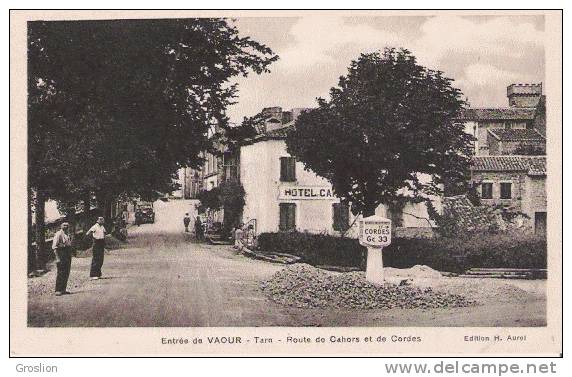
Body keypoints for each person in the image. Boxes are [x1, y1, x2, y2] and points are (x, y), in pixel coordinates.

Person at [52, 222, 73, 296]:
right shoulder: (58, 234)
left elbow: (68, 244)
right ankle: (58, 290)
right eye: (64, 225)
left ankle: (63, 289)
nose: (66, 226)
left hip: (67, 253)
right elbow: (54, 247)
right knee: (61, 271)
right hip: (61, 253)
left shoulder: (67, 234)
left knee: (66, 271)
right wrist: (57, 258)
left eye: (67, 225)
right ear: (61, 226)